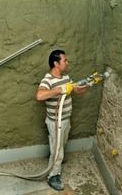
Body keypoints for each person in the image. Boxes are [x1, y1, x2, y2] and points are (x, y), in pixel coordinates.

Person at [36, 50, 87, 191]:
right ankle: (52, 176)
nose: (67, 63)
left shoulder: (66, 77)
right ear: (56, 63)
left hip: (65, 120)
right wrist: (59, 90)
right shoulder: (48, 80)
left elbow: (76, 90)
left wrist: (85, 86)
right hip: (55, 122)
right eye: (65, 60)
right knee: (57, 150)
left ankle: (56, 156)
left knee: (59, 146)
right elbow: (40, 96)